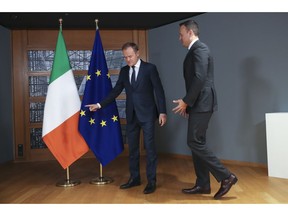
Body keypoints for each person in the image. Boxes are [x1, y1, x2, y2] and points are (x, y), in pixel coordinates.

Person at [86, 42, 167, 194]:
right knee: (133, 150)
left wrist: (162, 112)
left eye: (130, 56)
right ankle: (134, 178)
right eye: (125, 57)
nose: (128, 60)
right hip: (131, 115)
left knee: (150, 150)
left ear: (137, 53)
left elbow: (159, 91)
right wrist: (99, 104)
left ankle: (151, 181)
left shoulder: (150, 69)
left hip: (148, 115)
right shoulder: (124, 71)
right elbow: (116, 91)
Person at [172, 20, 238, 199]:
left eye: (181, 34)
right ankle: (203, 184)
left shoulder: (200, 49)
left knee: (194, 142)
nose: (179, 38)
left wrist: (186, 101)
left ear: (190, 33)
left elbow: (200, 79)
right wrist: (188, 103)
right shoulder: (195, 50)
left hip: (203, 102)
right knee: (197, 142)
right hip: (198, 103)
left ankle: (226, 176)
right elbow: (195, 80)